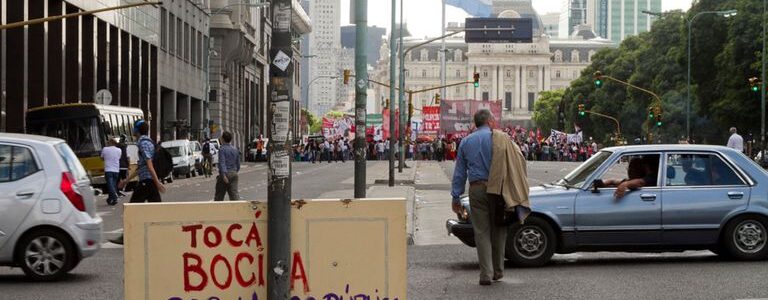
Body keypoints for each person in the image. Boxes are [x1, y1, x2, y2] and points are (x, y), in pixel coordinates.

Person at [451, 109, 519, 286]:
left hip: (477, 189)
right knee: (499, 229)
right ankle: (498, 270)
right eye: (493, 119)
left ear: (476, 123)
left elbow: (459, 173)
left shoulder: (466, 141)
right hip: (499, 190)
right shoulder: (502, 138)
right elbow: (515, 163)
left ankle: (485, 274)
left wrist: (456, 196)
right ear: (489, 121)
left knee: (481, 232)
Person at [111, 119, 165, 245]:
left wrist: (157, 182)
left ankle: (126, 236)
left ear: (136, 130)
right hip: (148, 181)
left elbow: (149, 164)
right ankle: (161, 235)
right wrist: (126, 181)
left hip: (147, 181)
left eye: (134, 128)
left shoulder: (143, 143)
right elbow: (142, 167)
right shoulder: (147, 141)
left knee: (132, 209)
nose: (133, 131)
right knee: (157, 209)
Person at [215, 131, 240, 201]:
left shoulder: (222, 149)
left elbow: (222, 163)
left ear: (223, 139)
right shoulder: (235, 149)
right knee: (234, 195)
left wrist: (223, 175)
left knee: (219, 196)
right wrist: (235, 172)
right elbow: (238, 164)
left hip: (225, 174)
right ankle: (236, 210)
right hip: (234, 174)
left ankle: (217, 210)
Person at [101, 138, 122, 206]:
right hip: (116, 170)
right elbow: (119, 158)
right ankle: (110, 199)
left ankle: (115, 197)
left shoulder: (105, 149)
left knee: (110, 185)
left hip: (108, 169)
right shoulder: (119, 150)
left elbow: (101, 158)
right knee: (113, 185)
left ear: (110, 143)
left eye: (108, 142)